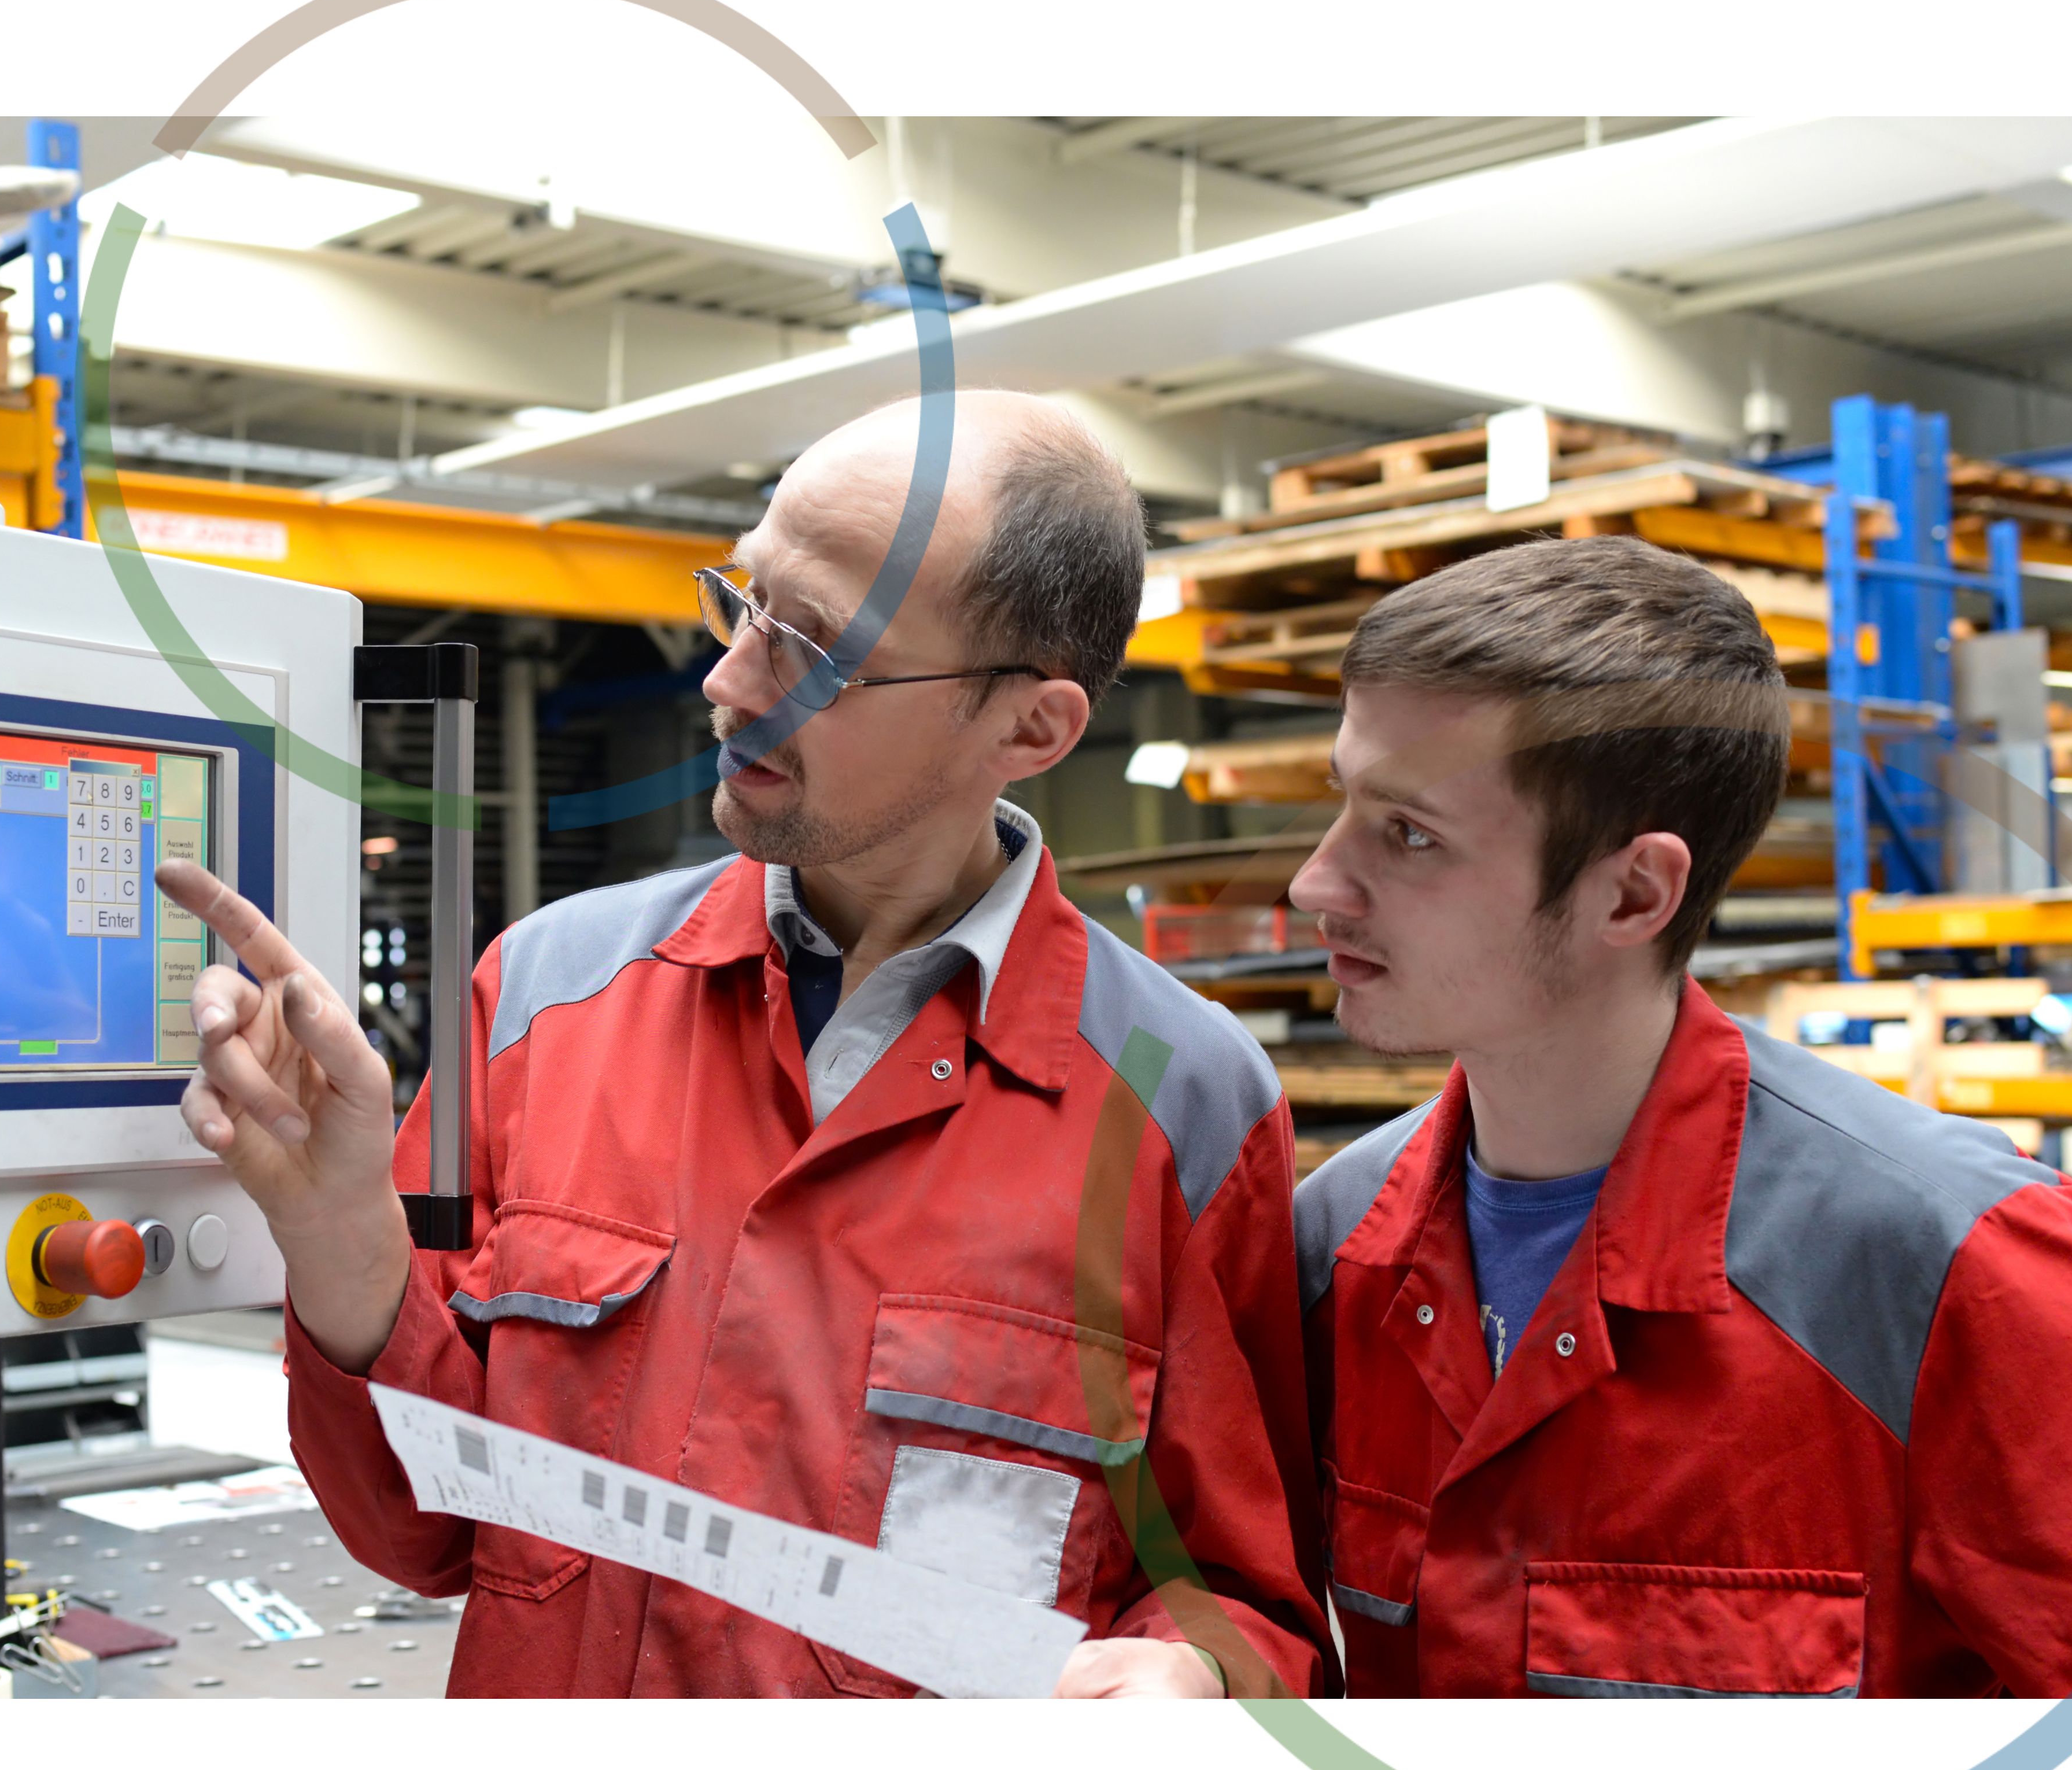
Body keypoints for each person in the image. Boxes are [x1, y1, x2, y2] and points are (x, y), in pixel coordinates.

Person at [156, 391, 1324, 1698]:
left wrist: (1196, 1679)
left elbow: (1245, 1596)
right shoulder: (546, 995)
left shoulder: (1186, 1106)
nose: (727, 680)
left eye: (812, 647)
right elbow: (421, 1535)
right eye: (742, 602)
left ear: (1032, 729)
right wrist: (342, 1240)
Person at [1283, 535, 2072, 1698]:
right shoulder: (1330, 1254)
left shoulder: (1949, 1271)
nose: (1315, 885)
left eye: (1409, 833)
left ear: (1632, 892)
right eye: (1346, 806)